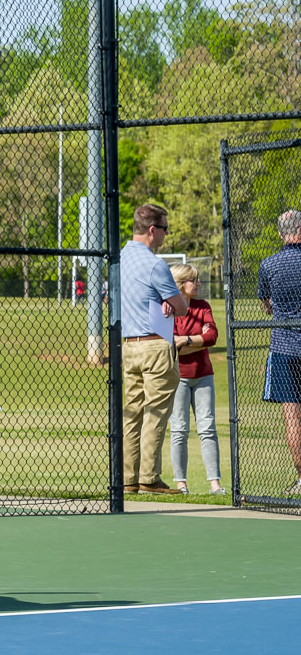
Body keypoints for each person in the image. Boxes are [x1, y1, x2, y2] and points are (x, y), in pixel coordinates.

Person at [119, 204, 188, 494]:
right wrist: (171, 301)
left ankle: (127, 479)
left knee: (131, 413)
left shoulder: (118, 257)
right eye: (164, 229)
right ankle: (149, 477)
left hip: (128, 346)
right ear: (152, 230)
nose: (165, 235)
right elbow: (181, 308)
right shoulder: (155, 264)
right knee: (156, 413)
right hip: (155, 346)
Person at [168, 263, 223, 494]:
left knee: (208, 428)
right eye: (194, 280)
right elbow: (168, 344)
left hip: (203, 376)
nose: (198, 284)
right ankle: (181, 484)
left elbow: (212, 336)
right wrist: (193, 340)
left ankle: (215, 484)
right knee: (179, 430)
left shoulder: (203, 307)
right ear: (181, 285)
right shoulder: (167, 309)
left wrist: (188, 341)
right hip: (178, 377)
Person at [259, 209, 301, 495]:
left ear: (280, 233)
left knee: (292, 416)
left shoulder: (269, 264)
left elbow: (266, 304)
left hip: (284, 346)